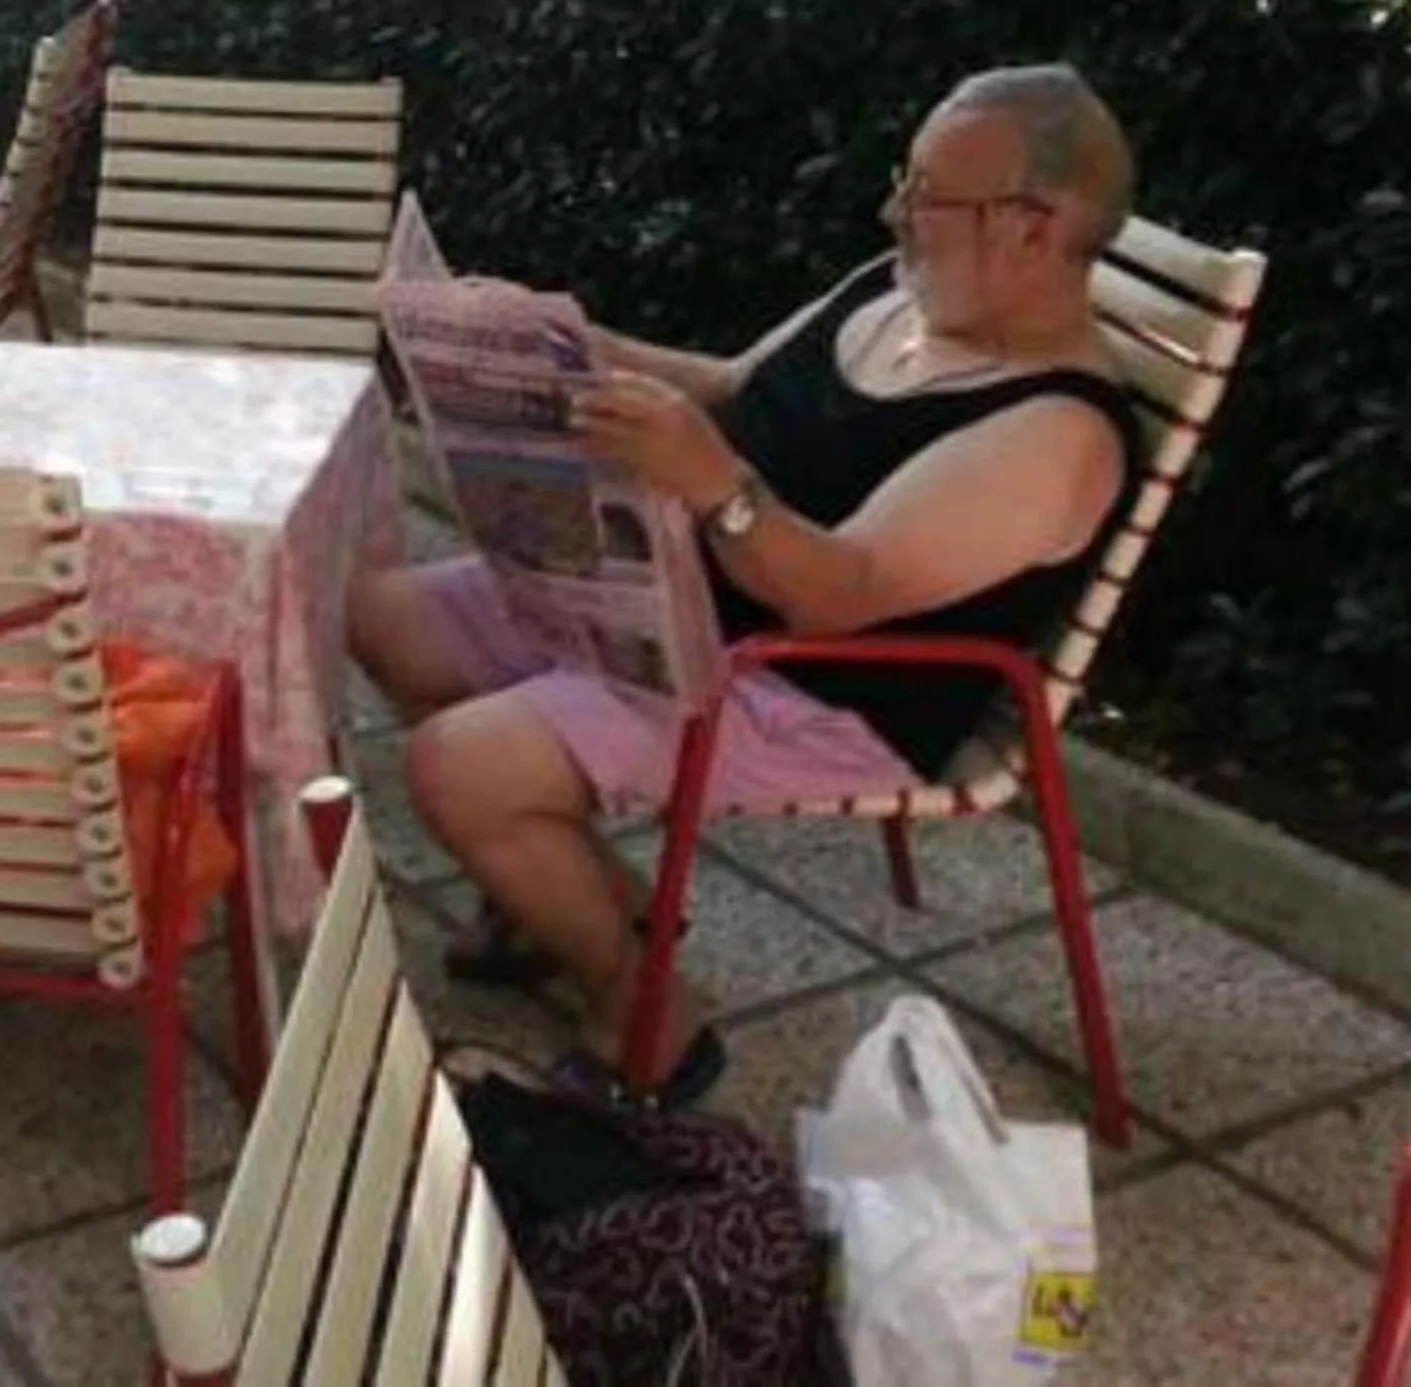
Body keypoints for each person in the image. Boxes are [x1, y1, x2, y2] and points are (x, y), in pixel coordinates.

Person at [350, 65, 1142, 1105]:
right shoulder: (905, 292)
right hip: (695, 589)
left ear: (1036, 230)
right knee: (388, 617)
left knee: (460, 768)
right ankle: (586, 894)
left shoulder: (1056, 433)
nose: (895, 212)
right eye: (906, 181)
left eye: (928, 197)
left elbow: (840, 594)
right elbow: (735, 386)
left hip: (816, 685)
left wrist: (716, 486)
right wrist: (569, 346)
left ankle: (648, 1009)